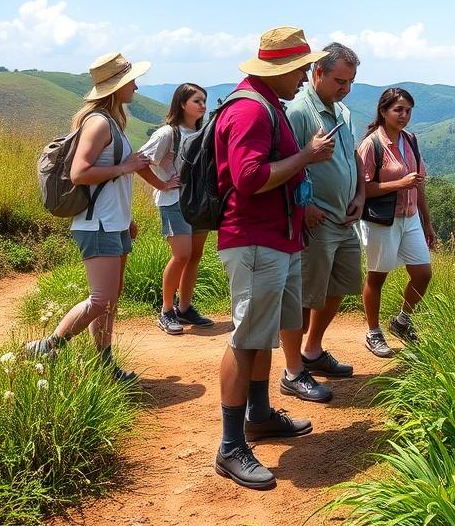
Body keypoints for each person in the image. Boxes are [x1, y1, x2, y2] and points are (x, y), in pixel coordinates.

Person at [214, 26, 337, 491]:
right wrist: (306, 156)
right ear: (280, 68)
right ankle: (230, 446)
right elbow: (248, 179)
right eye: (300, 69)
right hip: (255, 240)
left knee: (261, 335)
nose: (304, 77)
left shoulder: (269, 104)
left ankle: (259, 416)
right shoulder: (250, 109)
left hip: (278, 238)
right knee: (246, 339)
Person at [26, 52, 154, 381]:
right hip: (97, 225)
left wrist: (126, 218)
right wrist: (126, 167)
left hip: (111, 222)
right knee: (101, 299)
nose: (136, 87)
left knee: (109, 300)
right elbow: (80, 173)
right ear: (116, 86)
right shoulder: (98, 123)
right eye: (131, 81)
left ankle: (104, 364)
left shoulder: (110, 122)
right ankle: (49, 346)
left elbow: (109, 184)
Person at [285, 42, 365, 379]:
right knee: (306, 296)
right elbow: (286, 163)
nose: (345, 89)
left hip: (345, 218)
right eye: (339, 81)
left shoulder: (342, 111)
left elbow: (353, 156)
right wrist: (304, 207)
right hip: (316, 222)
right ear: (318, 73)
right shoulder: (299, 112)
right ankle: (293, 369)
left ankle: (312, 351)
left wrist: (360, 194)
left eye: (350, 82)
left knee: (340, 286)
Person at [356, 87, 436, 355]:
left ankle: (402, 321)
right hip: (382, 220)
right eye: (398, 110)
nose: (404, 115)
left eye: (408, 111)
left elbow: (419, 184)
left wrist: (427, 223)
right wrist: (399, 183)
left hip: (410, 217)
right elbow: (363, 189)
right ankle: (373, 332)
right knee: (377, 277)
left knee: (423, 274)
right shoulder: (372, 145)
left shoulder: (411, 140)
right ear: (383, 111)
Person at [139, 83, 215, 335]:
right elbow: (141, 161)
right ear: (182, 104)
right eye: (197, 101)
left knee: (194, 256)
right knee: (182, 255)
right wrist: (162, 184)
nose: (202, 105)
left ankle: (184, 308)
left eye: (204, 101)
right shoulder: (167, 133)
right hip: (173, 201)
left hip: (199, 202)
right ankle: (166, 310)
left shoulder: (202, 132)